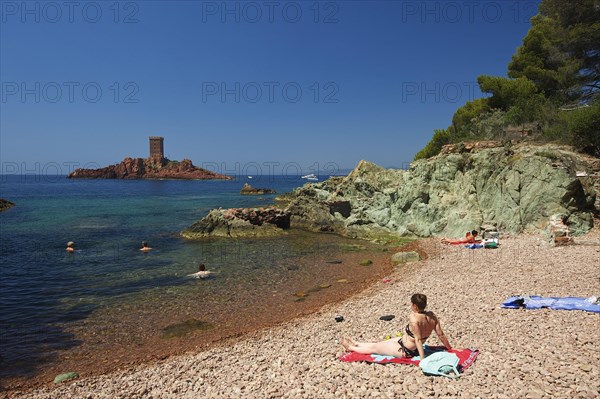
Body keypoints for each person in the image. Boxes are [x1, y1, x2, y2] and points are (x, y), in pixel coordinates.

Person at [340, 293, 451, 359]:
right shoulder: (432, 316)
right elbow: (440, 334)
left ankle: (350, 348)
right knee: (378, 344)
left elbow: (417, 339)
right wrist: (450, 349)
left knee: (375, 348)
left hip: (405, 350)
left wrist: (422, 359)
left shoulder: (414, 318)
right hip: (403, 342)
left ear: (414, 305)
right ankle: (357, 343)